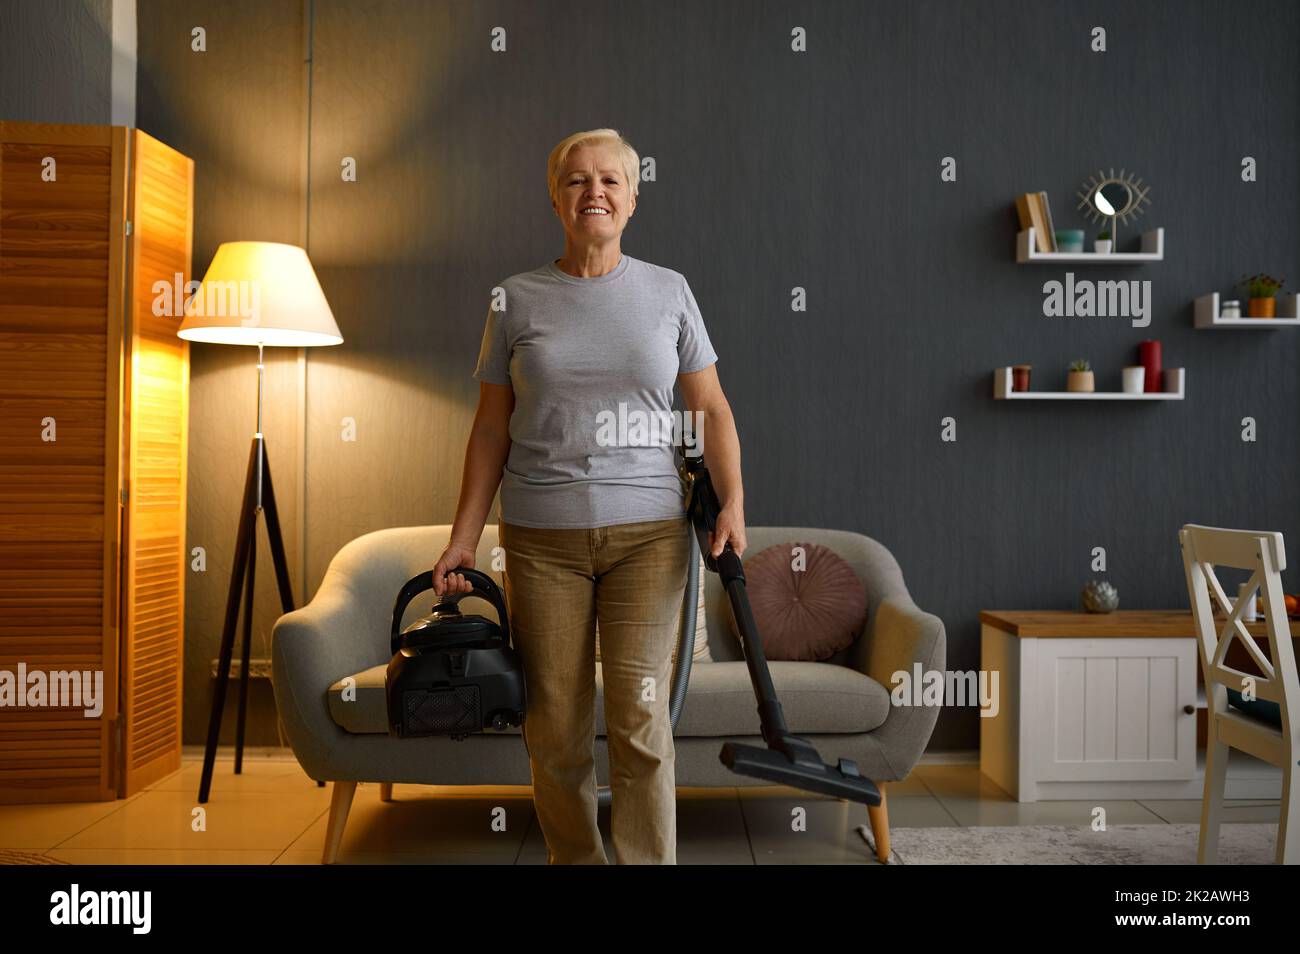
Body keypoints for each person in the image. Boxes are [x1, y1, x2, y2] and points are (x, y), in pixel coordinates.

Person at [432, 128, 745, 865]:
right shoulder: (516, 299)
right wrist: (463, 539)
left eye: (610, 180)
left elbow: (713, 410)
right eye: (577, 180)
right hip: (542, 543)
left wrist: (732, 502)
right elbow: (489, 430)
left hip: (649, 538)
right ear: (555, 196)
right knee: (554, 726)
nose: (594, 192)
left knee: (640, 717)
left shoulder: (669, 291)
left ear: (633, 199)